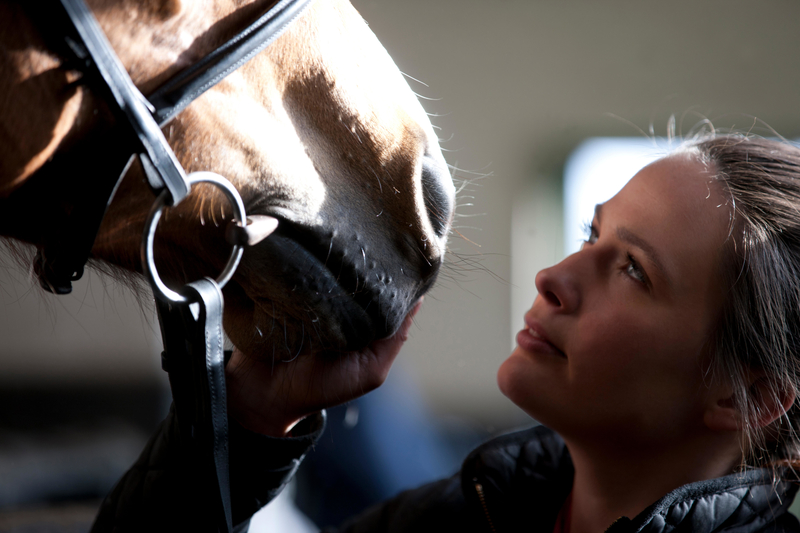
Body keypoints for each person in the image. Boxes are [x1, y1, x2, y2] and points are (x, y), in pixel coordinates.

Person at [321, 134, 800, 532]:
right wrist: (263, 422)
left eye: (634, 270)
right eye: (591, 235)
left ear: (749, 399)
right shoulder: (464, 511)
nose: (550, 278)